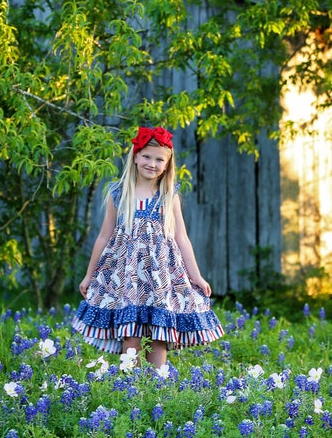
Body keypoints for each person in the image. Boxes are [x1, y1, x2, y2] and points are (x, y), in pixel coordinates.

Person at [72, 126, 224, 367]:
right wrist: (90, 275)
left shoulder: (168, 194)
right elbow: (103, 237)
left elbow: (182, 238)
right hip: (126, 277)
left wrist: (197, 276)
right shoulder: (118, 193)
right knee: (130, 335)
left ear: (167, 164)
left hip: (160, 276)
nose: (151, 163)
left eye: (159, 159)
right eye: (146, 156)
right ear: (135, 156)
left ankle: (157, 388)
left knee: (158, 335)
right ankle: (130, 390)